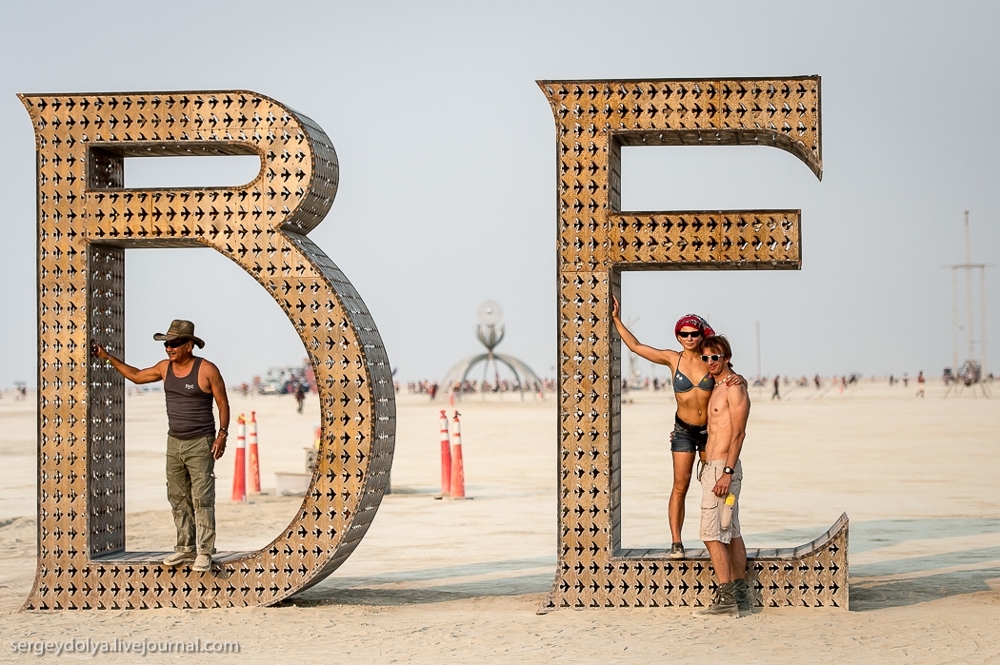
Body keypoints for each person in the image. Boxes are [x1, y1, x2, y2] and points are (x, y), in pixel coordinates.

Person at [91, 320, 229, 572]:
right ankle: (185, 548)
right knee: (177, 496)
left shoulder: (206, 370)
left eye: (175, 343)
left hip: (201, 442)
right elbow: (135, 375)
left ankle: (205, 552)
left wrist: (222, 434)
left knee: (202, 498)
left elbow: (223, 403)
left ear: (189, 345)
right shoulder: (164, 368)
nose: (169, 348)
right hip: (174, 441)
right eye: (166, 344)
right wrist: (106, 356)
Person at [611, 297, 740, 559]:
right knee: (680, 486)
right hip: (683, 430)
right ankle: (676, 542)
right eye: (683, 334)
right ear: (678, 336)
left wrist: (741, 378)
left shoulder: (710, 360)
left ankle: (718, 533)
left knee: (713, 485)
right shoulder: (673, 359)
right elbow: (635, 347)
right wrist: (615, 319)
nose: (689, 338)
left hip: (710, 434)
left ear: (701, 334)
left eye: (693, 333)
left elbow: (730, 377)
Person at [693, 335, 752, 618]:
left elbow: (738, 433)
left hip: (722, 469)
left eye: (715, 357)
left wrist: (727, 472)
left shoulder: (734, 388)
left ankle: (727, 597)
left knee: (711, 533)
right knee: (732, 532)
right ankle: (740, 598)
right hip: (714, 468)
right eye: (706, 358)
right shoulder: (720, 385)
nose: (710, 363)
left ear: (726, 357)